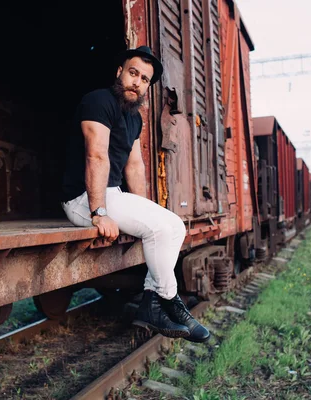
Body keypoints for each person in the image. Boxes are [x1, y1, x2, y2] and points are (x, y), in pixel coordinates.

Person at [60, 46, 210, 343]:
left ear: (148, 86)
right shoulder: (98, 101)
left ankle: (153, 302)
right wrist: (98, 212)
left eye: (144, 79)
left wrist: (142, 207)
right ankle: (169, 303)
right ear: (120, 72)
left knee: (174, 226)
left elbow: (135, 165)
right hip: (82, 198)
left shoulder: (134, 118)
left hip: (112, 194)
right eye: (132, 73)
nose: (137, 82)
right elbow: (96, 156)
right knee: (157, 229)